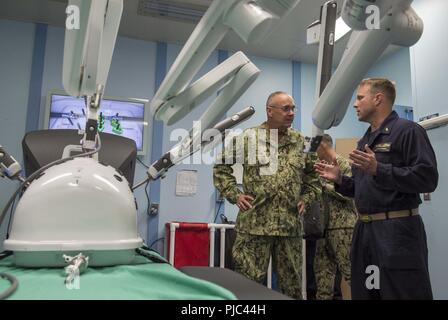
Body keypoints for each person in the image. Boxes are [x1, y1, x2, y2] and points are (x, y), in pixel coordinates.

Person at [314, 78, 438, 300]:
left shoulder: (408, 131)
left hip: (397, 233)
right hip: (365, 233)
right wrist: (341, 179)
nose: (355, 104)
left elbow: (427, 179)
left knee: (401, 293)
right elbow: (365, 187)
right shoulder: (366, 140)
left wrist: (379, 169)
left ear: (378, 98)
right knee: (369, 293)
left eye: (360, 97)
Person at [213, 91, 321, 299]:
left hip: (289, 228)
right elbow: (221, 168)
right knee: (247, 287)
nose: (291, 113)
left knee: (292, 289)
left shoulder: (302, 142)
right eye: (285, 108)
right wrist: (235, 195)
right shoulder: (248, 138)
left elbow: (313, 178)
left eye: (293, 108)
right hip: (255, 226)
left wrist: (306, 198)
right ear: (270, 111)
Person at [313, 134, 357, 300]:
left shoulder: (343, 164)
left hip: (343, 228)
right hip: (322, 230)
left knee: (352, 273)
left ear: (322, 146)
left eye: (314, 148)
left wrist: (325, 185)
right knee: (322, 276)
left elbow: (351, 194)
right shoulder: (319, 167)